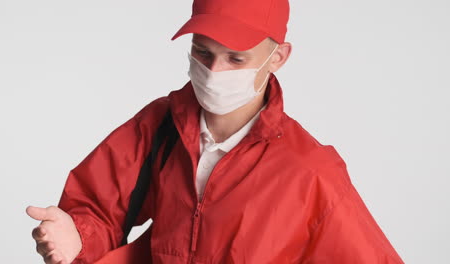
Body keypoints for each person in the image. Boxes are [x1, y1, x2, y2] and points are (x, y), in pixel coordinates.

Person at [26, 0, 405, 263]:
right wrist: (78, 236)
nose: (214, 72)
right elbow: (99, 206)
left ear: (279, 57)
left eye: (236, 59)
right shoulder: (159, 127)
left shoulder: (310, 171)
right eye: (203, 52)